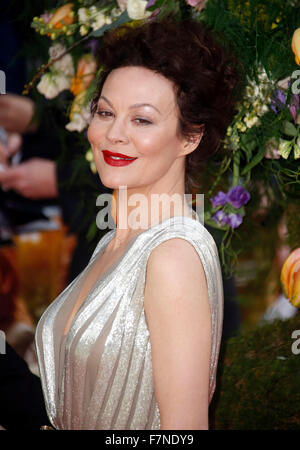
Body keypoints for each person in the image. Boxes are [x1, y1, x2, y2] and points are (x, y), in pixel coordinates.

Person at [35, 18, 240, 430]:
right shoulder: (111, 243)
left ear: (190, 137)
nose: (114, 134)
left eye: (142, 120)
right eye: (105, 112)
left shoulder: (173, 256)